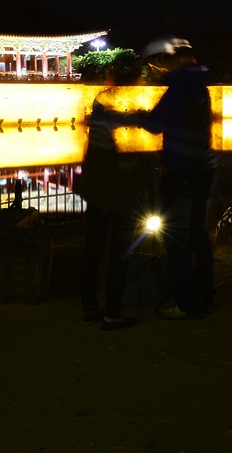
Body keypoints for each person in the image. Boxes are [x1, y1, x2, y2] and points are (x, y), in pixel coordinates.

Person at [136, 35, 218, 321]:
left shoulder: (179, 86)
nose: (158, 68)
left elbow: (156, 125)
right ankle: (205, 297)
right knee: (198, 236)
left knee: (174, 238)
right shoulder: (200, 85)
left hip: (181, 170)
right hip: (204, 167)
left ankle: (185, 303)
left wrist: (137, 117)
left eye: (160, 63)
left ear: (172, 60)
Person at [76, 57, 153, 333]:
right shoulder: (114, 106)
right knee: (120, 251)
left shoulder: (101, 101)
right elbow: (130, 140)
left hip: (95, 188)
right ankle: (112, 314)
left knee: (94, 248)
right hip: (115, 192)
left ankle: (89, 306)